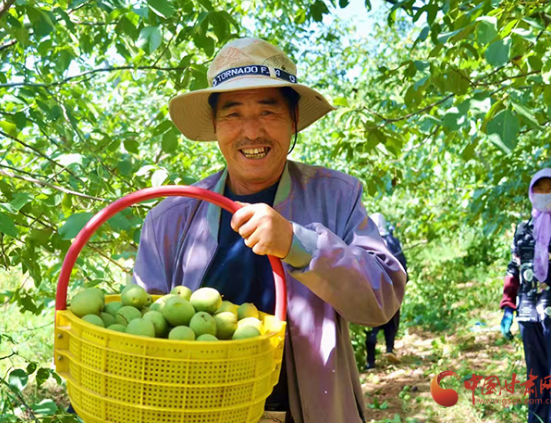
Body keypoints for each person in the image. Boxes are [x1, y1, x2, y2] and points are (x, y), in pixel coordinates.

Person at [133, 37, 406, 423]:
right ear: (214, 125)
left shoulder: (336, 196)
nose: (252, 132)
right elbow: (145, 332)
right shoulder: (172, 219)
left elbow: (381, 301)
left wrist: (300, 244)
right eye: (233, 114)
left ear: (293, 119)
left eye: (268, 111)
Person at [500, 168, 551, 423]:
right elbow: (514, 268)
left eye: (550, 189)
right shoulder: (524, 229)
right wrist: (508, 307)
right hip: (529, 313)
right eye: (539, 189)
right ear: (532, 193)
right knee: (537, 379)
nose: (545, 194)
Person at [365, 213, 407, 369]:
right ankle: (389, 349)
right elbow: (403, 265)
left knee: (372, 321)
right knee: (390, 317)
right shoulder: (391, 242)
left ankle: (371, 361)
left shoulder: (368, 242)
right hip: (390, 288)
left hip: (374, 289)